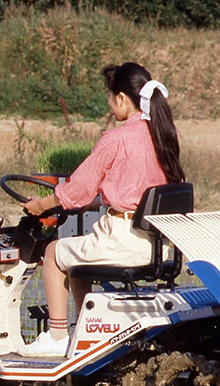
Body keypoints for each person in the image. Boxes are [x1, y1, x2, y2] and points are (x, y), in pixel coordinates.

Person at [20, 62, 185, 358]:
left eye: (110, 98)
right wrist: (97, 201)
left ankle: (57, 336)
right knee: (77, 263)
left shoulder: (116, 139)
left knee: (54, 252)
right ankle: (88, 330)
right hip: (157, 248)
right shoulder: (163, 136)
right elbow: (137, 194)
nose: (110, 104)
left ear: (121, 98)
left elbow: (77, 189)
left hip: (122, 241)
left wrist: (42, 204)